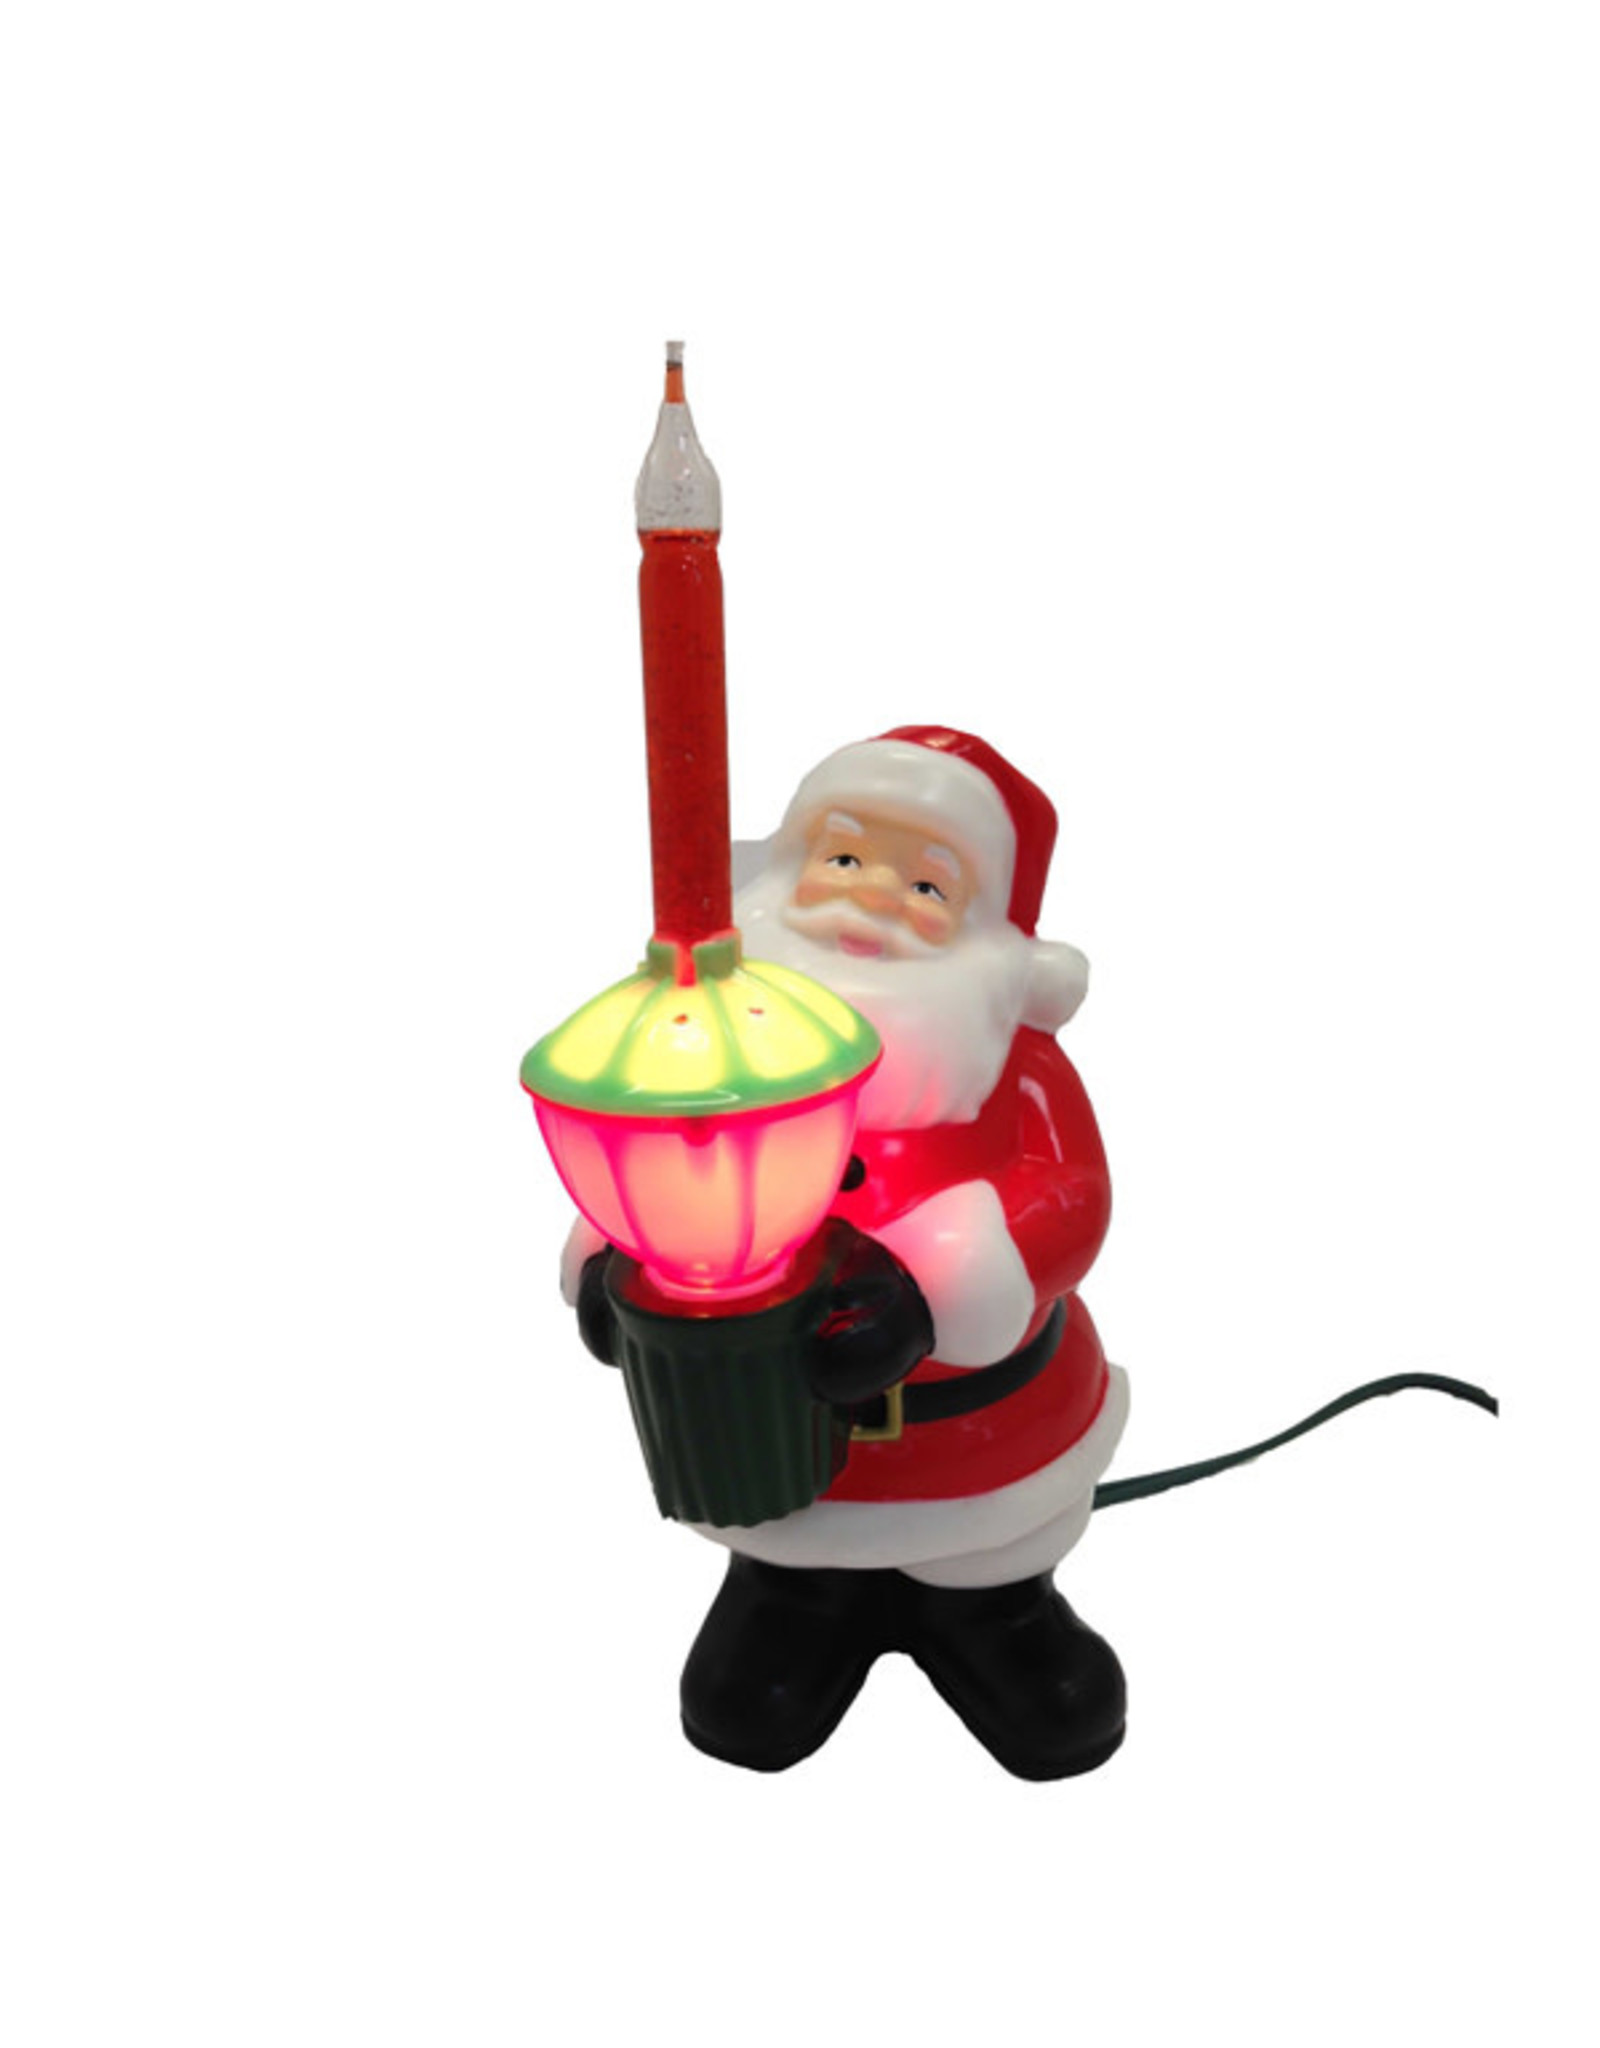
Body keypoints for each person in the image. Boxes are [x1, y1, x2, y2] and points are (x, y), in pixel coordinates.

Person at [568, 726, 1128, 1778]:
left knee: (994, 1558)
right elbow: (642, 1141)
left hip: (977, 1429)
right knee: (780, 1589)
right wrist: (615, 1259)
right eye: (842, 855)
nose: (871, 896)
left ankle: (1001, 1616)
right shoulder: (704, 1033)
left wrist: (929, 1290)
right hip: (774, 1437)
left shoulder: (1011, 1063)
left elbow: (1069, 1196)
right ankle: (792, 1602)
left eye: (927, 883)